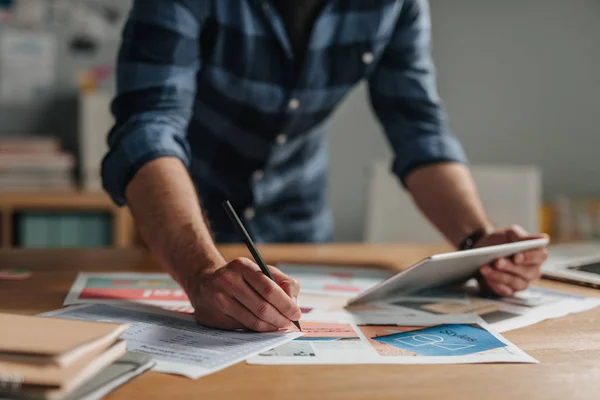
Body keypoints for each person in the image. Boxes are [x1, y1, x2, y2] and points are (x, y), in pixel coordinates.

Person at [102, 0, 548, 332]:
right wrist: (200, 274)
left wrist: (477, 241)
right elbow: (148, 126)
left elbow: (419, 128)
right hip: (178, 232)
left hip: (301, 223)